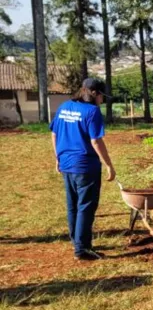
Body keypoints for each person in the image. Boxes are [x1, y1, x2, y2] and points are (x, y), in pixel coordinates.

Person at [50, 77, 116, 261]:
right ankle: (82, 249)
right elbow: (96, 141)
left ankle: (76, 240)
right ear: (94, 93)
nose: (102, 101)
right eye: (102, 96)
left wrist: (58, 158)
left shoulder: (64, 107)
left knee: (73, 205)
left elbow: (54, 134)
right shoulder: (92, 111)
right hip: (86, 166)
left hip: (67, 164)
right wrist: (108, 165)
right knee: (86, 206)